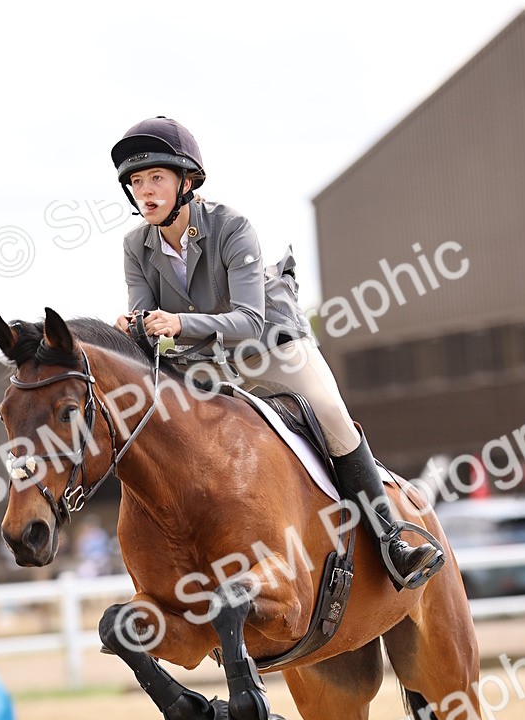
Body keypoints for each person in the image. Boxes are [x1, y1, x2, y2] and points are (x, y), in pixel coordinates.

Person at [109, 116, 443, 590]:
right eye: (136, 182)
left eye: (156, 178)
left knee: (330, 413)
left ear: (187, 182)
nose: (145, 191)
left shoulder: (232, 226)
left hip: (271, 345)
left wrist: (178, 323)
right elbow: (148, 329)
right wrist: (133, 329)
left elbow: (249, 320)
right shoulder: (134, 246)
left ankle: (393, 538)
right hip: (205, 362)